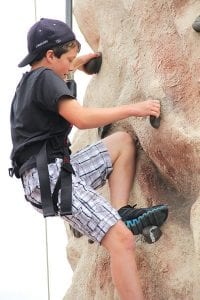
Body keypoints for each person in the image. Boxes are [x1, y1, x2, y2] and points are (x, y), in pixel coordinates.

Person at [9, 18, 168, 300]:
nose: (70, 66)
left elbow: (61, 73)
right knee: (121, 240)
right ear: (49, 56)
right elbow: (81, 119)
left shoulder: (30, 83)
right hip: (52, 179)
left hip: (55, 173)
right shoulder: (45, 78)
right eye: (67, 58)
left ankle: (119, 210)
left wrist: (76, 62)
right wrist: (134, 108)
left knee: (122, 143)